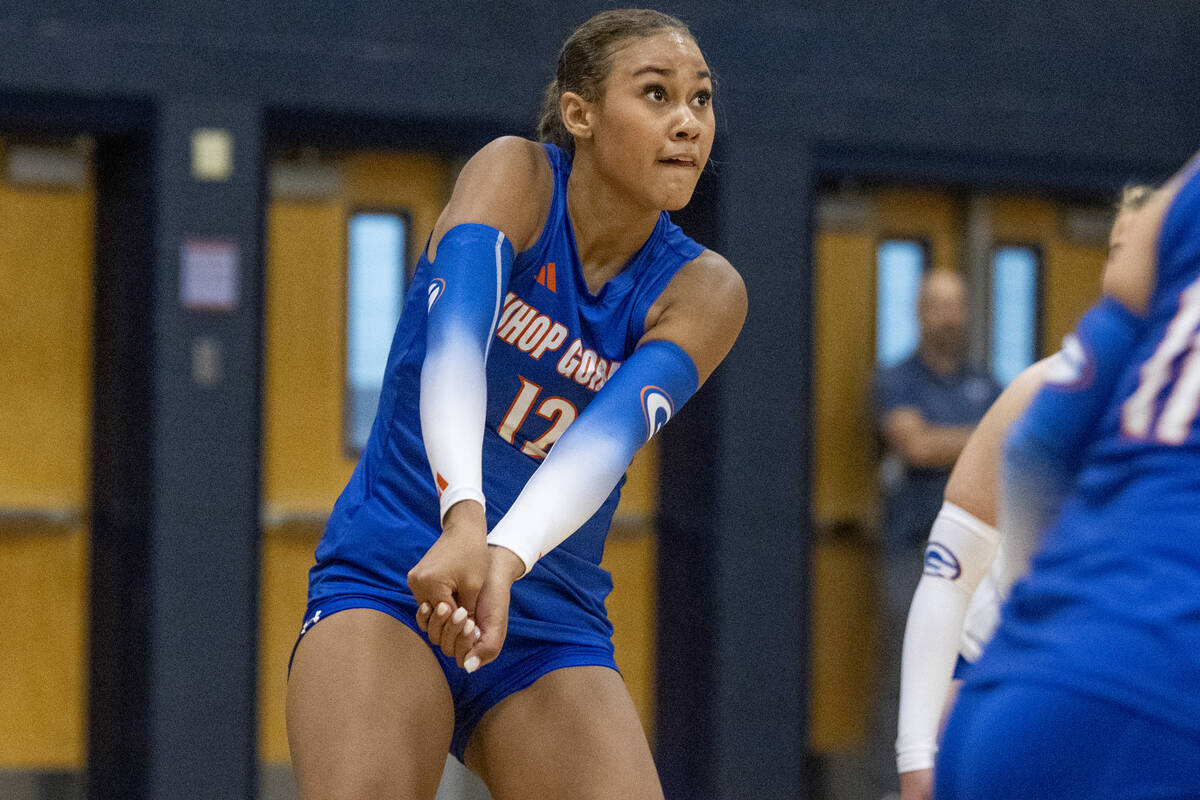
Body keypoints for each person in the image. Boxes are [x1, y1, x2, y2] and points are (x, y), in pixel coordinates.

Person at [284, 10, 746, 800]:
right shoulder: (517, 177)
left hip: (546, 612)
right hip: (396, 569)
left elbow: (600, 444)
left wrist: (502, 557)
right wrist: (464, 516)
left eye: (700, 101)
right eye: (657, 94)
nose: (686, 123)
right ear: (581, 114)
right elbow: (452, 347)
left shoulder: (705, 290)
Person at [935, 149, 1200, 799]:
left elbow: (1037, 447)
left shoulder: (1183, 196)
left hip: (1010, 692)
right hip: (1153, 701)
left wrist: (1039, 629)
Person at [894, 186, 1156, 800]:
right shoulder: (1042, 390)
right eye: (1118, 250)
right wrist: (916, 758)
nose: (1129, 270)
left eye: (1146, 252)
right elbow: (948, 575)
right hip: (1005, 675)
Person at [867, 268, 1001, 797]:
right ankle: (893, 788)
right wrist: (987, 434)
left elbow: (1017, 452)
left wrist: (960, 437)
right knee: (908, 673)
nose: (947, 314)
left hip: (986, 559)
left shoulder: (988, 382)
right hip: (913, 550)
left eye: (956, 304)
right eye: (936, 304)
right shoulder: (896, 378)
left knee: (975, 673)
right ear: (918, 311)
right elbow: (915, 445)